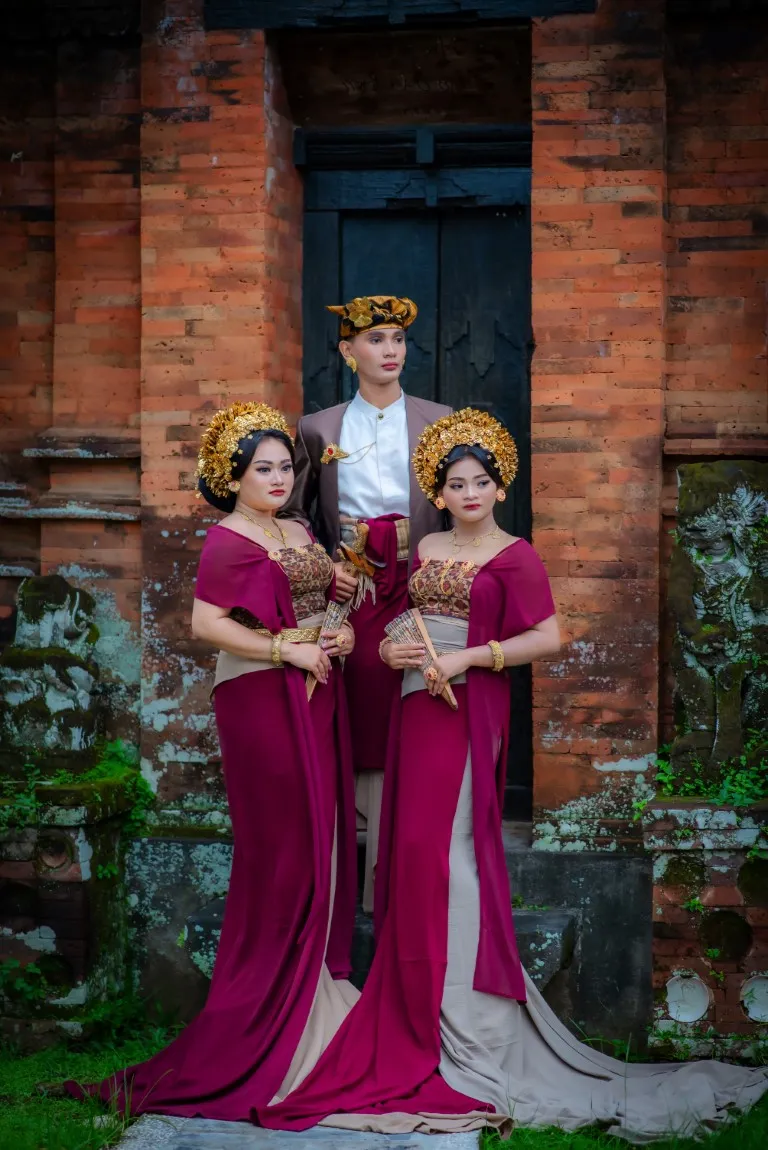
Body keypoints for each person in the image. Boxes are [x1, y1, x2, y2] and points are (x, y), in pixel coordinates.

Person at [255, 409, 768, 1141]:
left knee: (452, 851)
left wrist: (472, 657)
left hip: (469, 708)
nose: (469, 493)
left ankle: (473, 1019)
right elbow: (397, 624)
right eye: (455, 483)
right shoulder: (427, 547)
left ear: (500, 487)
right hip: (415, 706)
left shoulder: (516, 554)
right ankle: (418, 1001)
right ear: (438, 491)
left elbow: (548, 636)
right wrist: (394, 652)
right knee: (411, 851)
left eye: (480, 482)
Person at [67, 402, 358, 1119]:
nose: (278, 479)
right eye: (263, 469)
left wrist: (339, 624)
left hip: (318, 689)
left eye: (285, 467)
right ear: (233, 477)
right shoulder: (227, 538)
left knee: (322, 836)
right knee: (284, 845)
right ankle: (271, 1005)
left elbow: (317, 603)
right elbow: (207, 623)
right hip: (261, 696)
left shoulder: (297, 529)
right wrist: (287, 649)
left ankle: (314, 988)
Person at [286, 295, 451, 912]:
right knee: (352, 703)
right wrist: (325, 563)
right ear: (347, 350)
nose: (390, 351)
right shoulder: (319, 428)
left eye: (398, 339)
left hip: (419, 577)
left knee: (417, 701)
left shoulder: (441, 420)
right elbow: (296, 512)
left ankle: (406, 857)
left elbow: (459, 504)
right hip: (352, 585)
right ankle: (349, 855)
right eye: (376, 339)